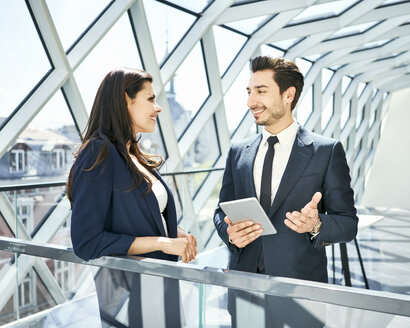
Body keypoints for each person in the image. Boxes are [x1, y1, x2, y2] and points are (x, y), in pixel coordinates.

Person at [213, 56, 359, 327]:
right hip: (244, 286)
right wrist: (229, 233)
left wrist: (316, 224)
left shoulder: (325, 151)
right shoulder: (238, 152)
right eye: (249, 92)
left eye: (261, 91)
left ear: (288, 94)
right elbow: (220, 211)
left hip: (300, 290)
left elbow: (348, 223)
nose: (250, 102)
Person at [67, 67, 196, 327]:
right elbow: (86, 242)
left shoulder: (133, 155)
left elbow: (137, 214)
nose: (158, 108)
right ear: (125, 100)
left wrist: (172, 232)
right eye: (150, 99)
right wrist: (161, 242)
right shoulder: (98, 153)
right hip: (130, 293)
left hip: (158, 282)